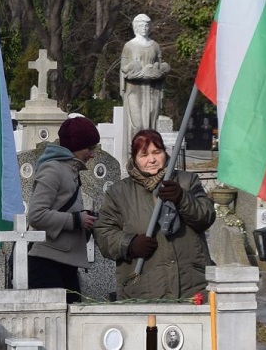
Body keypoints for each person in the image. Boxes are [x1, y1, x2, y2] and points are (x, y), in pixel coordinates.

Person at [94, 128, 215, 301]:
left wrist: (182, 198)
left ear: (165, 153)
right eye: (144, 155)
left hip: (192, 288)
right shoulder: (119, 193)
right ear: (134, 159)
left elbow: (206, 216)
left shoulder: (187, 182)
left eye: (156, 152)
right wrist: (130, 244)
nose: (151, 159)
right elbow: (103, 234)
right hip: (144, 289)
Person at [27, 115, 100, 303]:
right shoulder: (53, 169)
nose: (92, 154)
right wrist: (76, 220)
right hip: (47, 264)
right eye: (89, 148)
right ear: (75, 146)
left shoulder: (69, 169)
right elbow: (36, 215)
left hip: (64, 262)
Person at [121, 14, 170, 157]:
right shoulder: (129, 46)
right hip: (134, 91)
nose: (144, 28)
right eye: (141, 25)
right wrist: (141, 73)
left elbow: (160, 66)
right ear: (135, 27)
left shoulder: (155, 46)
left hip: (152, 90)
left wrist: (156, 72)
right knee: (137, 124)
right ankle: (135, 154)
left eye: (147, 25)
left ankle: (150, 153)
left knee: (150, 123)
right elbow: (124, 69)